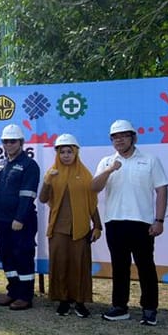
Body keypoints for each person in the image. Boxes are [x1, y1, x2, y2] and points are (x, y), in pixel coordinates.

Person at [92, 118, 168, 325]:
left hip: (142, 223)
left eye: (123, 136)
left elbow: (161, 189)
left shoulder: (150, 160)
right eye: (115, 137)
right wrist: (109, 170)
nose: (119, 140)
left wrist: (159, 220)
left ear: (133, 138)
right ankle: (120, 307)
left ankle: (150, 309)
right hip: (115, 222)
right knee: (119, 266)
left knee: (145, 266)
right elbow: (94, 187)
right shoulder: (106, 161)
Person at [40, 134, 102, 318]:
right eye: (62, 152)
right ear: (57, 154)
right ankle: (63, 301)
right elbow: (43, 199)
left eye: (69, 152)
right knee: (60, 265)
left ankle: (80, 302)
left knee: (80, 266)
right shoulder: (52, 173)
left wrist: (97, 226)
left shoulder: (84, 175)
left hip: (80, 229)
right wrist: (47, 182)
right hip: (58, 229)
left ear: (76, 153)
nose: (66, 155)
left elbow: (92, 203)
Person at [0, 124, 40, 311]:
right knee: (7, 256)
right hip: (3, 220)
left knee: (23, 256)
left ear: (21, 142)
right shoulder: (3, 164)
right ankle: (13, 291)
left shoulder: (29, 165)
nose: (9, 144)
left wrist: (20, 218)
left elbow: (28, 194)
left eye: (13, 141)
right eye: (6, 141)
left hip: (22, 221)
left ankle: (25, 295)